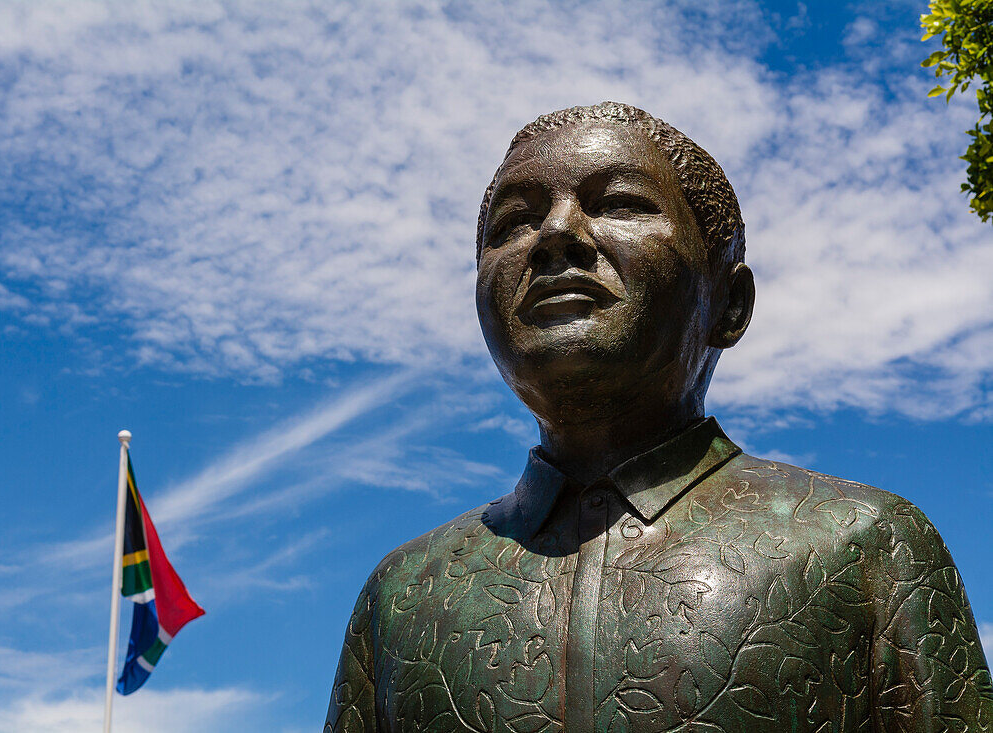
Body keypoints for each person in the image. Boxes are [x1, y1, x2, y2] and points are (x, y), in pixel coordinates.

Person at [325, 102, 993, 732]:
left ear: (728, 302)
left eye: (618, 204)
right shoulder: (405, 595)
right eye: (513, 222)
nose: (555, 234)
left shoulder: (864, 545)